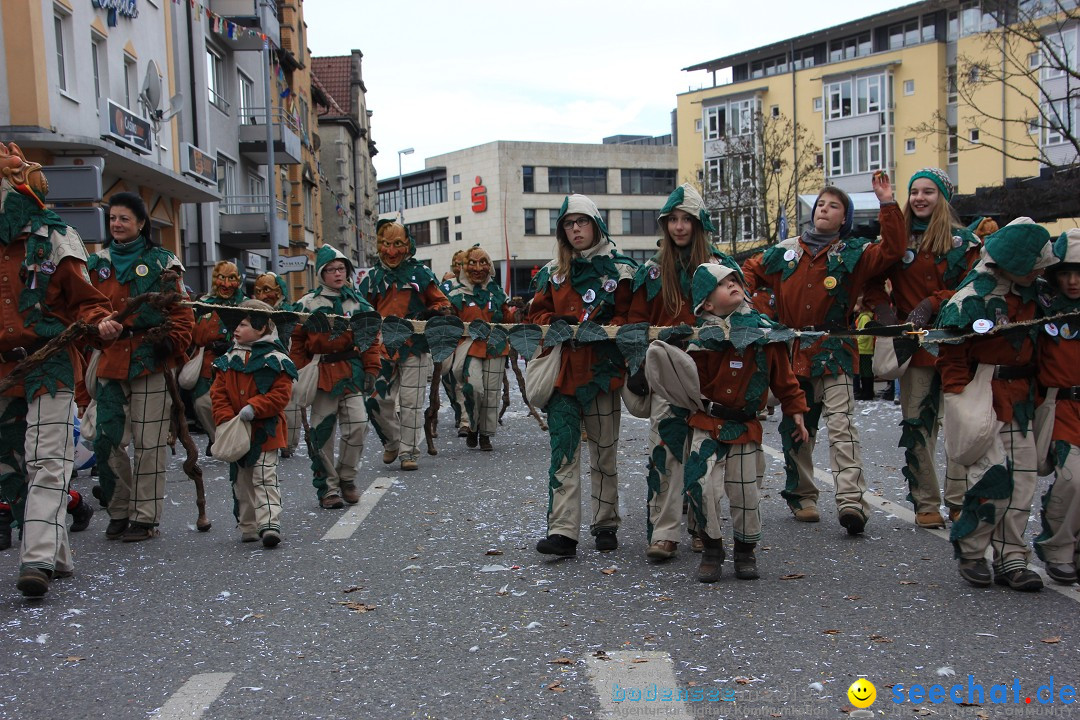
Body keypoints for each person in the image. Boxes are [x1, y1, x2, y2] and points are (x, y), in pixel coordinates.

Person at [743, 174, 904, 534]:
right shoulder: (786, 253)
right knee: (797, 426)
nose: (824, 209)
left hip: (835, 349)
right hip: (793, 349)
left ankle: (851, 502)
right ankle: (802, 495)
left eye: (833, 206)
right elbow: (748, 271)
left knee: (842, 425)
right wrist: (750, 307)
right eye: (820, 204)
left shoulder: (853, 253)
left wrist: (887, 203)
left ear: (843, 218)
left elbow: (892, 251)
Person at [0, 141, 122, 597]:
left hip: (48, 363)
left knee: (48, 462)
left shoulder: (55, 237)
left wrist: (100, 323)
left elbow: (88, 302)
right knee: (10, 471)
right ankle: (58, 550)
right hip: (3, 373)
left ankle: (35, 561)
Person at [937, 220, 1053, 591]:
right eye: (1036, 263)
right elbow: (951, 352)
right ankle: (972, 550)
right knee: (991, 479)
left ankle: (1012, 557)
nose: (1041, 270)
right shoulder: (973, 296)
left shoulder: (1038, 294)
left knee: (1022, 482)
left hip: (1021, 396)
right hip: (984, 393)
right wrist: (959, 395)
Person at [863, 168, 982, 528]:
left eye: (928, 191)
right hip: (915, 351)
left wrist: (933, 301)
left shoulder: (965, 243)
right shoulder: (898, 243)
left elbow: (974, 287)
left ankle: (960, 499)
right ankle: (926, 501)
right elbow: (869, 281)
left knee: (961, 427)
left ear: (943, 197)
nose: (919, 198)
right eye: (914, 191)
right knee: (918, 426)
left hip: (958, 348)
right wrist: (883, 310)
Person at [627, 183, 740, 561]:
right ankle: (664, 531)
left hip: (710, 373)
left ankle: (702, 527)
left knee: (704, 453)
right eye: (672, 219)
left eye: (686, 219)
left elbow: (742, 317)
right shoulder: (652, 271)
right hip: (667, 374)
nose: (678, 226)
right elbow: (635, 323)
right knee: (665, 448)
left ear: (698, 223)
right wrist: (639, 363)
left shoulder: (723, 268)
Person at [679, 263, 809, 582]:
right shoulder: (696, 335)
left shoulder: (764, 331)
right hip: (706, 421)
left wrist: (797, 412)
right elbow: (676, 377)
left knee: (744, 492)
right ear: (707, 303)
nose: (734, 284)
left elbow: (785, 379)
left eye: (735, 279)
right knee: (700, 484)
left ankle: (744, 551)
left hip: (744, 427)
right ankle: (711, 547)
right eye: (723, 284)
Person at [527, 194, 636, 556]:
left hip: (602, 373)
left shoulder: (620, 270)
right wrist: (553, 322)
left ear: (596, 224)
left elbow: (629, 318)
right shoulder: (551, 273)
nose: (576, 229)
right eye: (569, 224)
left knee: (604, 453)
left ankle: (605, 522)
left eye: (582, 222)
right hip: (562, 375)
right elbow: (535, 317)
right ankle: (563, 531)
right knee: (564, 453)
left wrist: (604, 328)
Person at [88, 191, 194, 543]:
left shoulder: (163, 261)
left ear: (141, 223)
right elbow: (80, 308)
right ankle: (119, 509)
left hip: (150, 358)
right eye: (112, 219)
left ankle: (144, 517)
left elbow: (182, 314)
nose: (117, 224)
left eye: (124, 219)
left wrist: (171, 344)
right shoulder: (94, 263)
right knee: (106, 440)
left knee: (149, 444)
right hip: (108, 358)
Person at [290, 246, 383, 508]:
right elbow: (296, 340)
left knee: (358, 426)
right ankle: (327, 489)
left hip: (351, 372)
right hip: (321, 374)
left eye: (341, 268)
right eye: (331, 270)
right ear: (322, 273)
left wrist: (372, 370)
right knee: (322, 434)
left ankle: (347, 479)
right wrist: (299, 369)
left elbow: (371, 339)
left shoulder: (358, 303)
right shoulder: (307, 304)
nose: (337, 274)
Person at [359, 220, 451, 472]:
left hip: (415, 347)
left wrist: (431, 313)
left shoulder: (421, 274)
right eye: (386, 244)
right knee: (375, 401)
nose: (390, 251)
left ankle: (409, 451)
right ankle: (392, 442)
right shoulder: (373, 277)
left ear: (408, 246)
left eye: (397, 244)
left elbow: (443, 304)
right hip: (382, 348)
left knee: (411, 402)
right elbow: (361, 310)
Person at [210, 299, 297, 547]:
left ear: (262, 329)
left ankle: (269, 524)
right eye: (237, 323)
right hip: (237, 429)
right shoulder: (227, 359)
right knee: (242, 479)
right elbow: (218, 393)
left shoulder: (276, 358)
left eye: (245, 323)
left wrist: (255, 407)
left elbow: (281, 394)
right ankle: (248, 524)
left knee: (264, 475)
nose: (237, 328)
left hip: (265, 430)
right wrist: (226, 419)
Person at [1034, 229, 1080, 585]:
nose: (1073, 281)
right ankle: (1058, 547)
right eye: (1065, 272)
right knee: (1072, 479)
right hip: (1062, 405)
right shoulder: (1042, 306)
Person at [444, 245, 514, 451]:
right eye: (472, 262)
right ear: (465, 267)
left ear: (490, 267)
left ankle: (485, 434)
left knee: (492, 394)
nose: (477, 267)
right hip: (468, 347)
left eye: (483, 262)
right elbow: (448, 322)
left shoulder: (497, 293)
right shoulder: (456, 293)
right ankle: (472, 426)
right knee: (473, 388)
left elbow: (507, 320)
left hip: (496, 346)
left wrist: (515, 312)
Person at [190, 260, 246, 452]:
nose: (226, 284)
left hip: (237, 362)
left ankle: (231, 439)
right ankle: (218, 437)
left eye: (232, 279)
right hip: (208, 364)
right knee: (202, 403)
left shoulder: (245, 305)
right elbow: (194, 335)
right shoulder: (203, 305)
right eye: (222, 278)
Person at [254, 272, 300, 458]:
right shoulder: (254, 312)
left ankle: (288, 442)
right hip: (263, 363)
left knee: (289, 398)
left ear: (278, 291)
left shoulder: (289, 312)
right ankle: (270, 438)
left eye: (267, 290)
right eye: (258, 291)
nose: (262, 296)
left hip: (287, 360)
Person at [852, 298, 876, 401]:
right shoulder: (863, 317)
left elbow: (865, 334)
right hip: (863, 348)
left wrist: (857, 340)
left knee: (866, 371)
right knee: (864, 371)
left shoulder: (865, 317)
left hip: (864, 349)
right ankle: (866, 391)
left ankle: (868, 392)